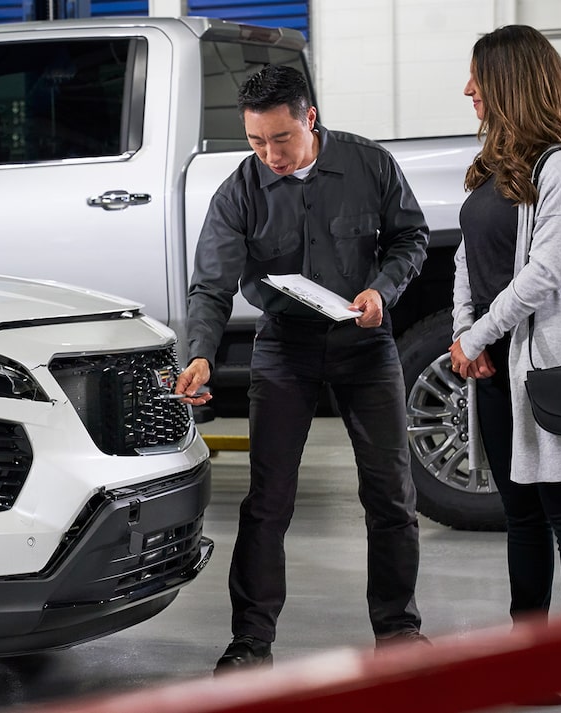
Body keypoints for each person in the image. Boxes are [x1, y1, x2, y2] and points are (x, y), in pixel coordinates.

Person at [174, 64, 430, 673]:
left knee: (391, 494)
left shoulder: (370, 166)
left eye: (280, 139)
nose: (269, 155)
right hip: (284, 344)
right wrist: (201, 355)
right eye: (256, 142)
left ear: (309, 118)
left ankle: (398, 634)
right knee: (268, 500)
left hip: (364, 344)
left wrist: (381, 291)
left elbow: (410, 238)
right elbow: (210, 286)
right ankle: (250, 644)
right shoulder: (239, 190)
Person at [449, 25, 561, 703]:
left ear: (508, 82)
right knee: (521, 518)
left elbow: (544, 273)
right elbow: (465, 259)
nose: (468, 90)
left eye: (477, 78)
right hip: (494, 365)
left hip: (545, 367)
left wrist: (481, 334)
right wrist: (466, 334)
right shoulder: (490, 168)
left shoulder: (560, 168)